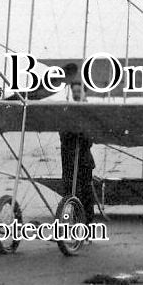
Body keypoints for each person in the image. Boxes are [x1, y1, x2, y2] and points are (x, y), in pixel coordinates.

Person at [59, 82, 97, 223]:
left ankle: (87, 225)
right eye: (74, 91)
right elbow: (62, 132)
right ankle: (75, 221)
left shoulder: (89, 110)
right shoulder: (68, 109)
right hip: (69, 157)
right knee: (71, 190)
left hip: (83, 158)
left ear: (84, 93)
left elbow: (90, 138)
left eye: (78, 91)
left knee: (85, 193)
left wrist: (79, 135)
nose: (76, 94)